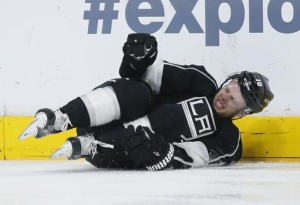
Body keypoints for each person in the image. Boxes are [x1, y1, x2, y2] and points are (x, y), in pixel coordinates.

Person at [18, 33, 274, 171]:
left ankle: (89, 146)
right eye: (230, 87)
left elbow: (193, 157)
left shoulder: (229, 140)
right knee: (141, 92)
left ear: (244, 111)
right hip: (100, 115)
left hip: (116, 153)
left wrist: (165, 154)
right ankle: (61, 117)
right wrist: (138, 59)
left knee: (154, 139)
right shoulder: (201, 81)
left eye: (235, 98)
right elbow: (135, 77)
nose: (225, 96)